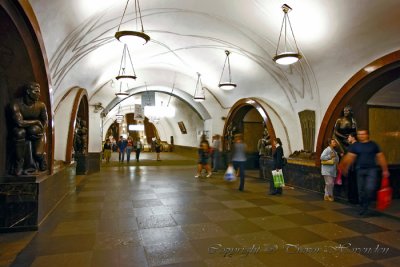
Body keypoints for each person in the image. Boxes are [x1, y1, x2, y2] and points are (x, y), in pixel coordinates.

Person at [340, 129, 390, 215]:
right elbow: (350, 157)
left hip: (372, 170)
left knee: (370, 188)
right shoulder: (356, 146)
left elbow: (380, 157)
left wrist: (385, 170)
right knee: (361, 190)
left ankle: (366, 203)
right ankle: (363, 206)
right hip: (360, 170)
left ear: (367, 135)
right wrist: (344, 167)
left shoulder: (373, 145)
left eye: (363, 134)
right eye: (359, 134)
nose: (361, 136)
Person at [9, 82, 48, 175]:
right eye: (36, 91)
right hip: (21, 129)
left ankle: (42, 158)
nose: (39, 94)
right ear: (28, 92)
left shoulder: (41, 105)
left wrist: (42, 131)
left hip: (36, 131)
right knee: (19, 133)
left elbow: (45, 121)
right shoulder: (16, 104)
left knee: (37, 152)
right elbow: (19, 122)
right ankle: (19, 163)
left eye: (39, 92)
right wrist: (36, 121)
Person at [346, 132, 359, 204]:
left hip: (353, 168)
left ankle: (353, 199)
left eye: (349, 137)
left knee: (353, 184)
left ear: (353, 137)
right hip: (354, 168)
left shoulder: (353, 146)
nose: (348, 138)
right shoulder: (356, 145)